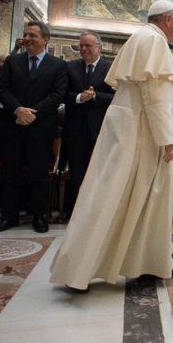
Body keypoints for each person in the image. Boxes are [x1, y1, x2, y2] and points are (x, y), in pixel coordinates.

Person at [50, 0, 173, 292]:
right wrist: (166, 137)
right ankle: (83, 270)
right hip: (144, 134)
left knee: (125, 199)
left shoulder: (141, 37)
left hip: (134, 130)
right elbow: (155, 95)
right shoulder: (154, 41)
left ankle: (146, 263)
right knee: (120, 198)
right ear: (167, 19)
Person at [0, 21, 67, 234]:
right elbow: (0, 88)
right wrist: (17, 110)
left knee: (38, 176)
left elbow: (57, 94)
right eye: (25, 34)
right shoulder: (12, 61)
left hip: (40, 128)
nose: (27, 39)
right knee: (10, 174)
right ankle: (8, 217)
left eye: (32, 35)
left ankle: (39, 217)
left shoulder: (58, 65)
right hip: (12, 126)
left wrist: (32, 113)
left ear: (45, 39)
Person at [62, 32, 113, 216]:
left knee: (101, 172)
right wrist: (79, 98)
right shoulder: (70, 67)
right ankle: (76, 212)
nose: (83, 49)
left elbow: (116, 97)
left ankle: (98, 212)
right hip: (75, 128)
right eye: (81, 46)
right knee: (77, 171)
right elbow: (61, 93)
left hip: (101, 129)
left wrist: (95, 96)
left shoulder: (110, 68)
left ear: (99, 47)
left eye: (88, 46)